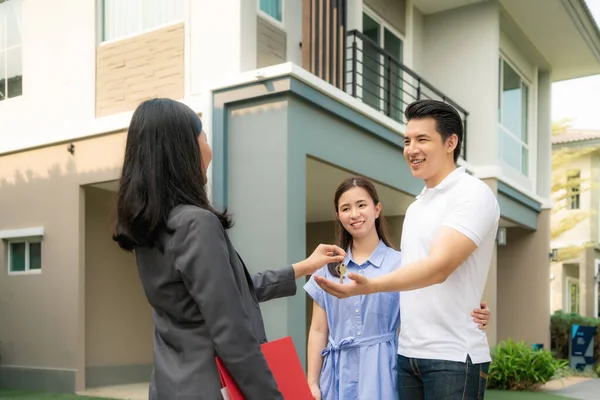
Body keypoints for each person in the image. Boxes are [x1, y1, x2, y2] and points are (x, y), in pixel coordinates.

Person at [112, 98, 346, 400]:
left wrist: (302, 267)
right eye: (203, 136)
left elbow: (226, 294)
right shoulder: (196, 224)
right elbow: (232, 333)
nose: (208, 146)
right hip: (212, 388)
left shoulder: (151, 228)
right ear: (185, 149)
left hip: (170, 386)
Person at [315, 99, 500, 399]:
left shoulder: (472, 193)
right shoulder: (417, 207)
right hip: (408, 355)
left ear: (450, 142)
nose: (411, 149)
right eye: (407, 141)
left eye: (422, 140)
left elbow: (438, 268)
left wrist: (369, 286)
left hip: (451, 357)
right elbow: (415, 275)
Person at [306, 176, 492, 400]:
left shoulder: (402, 264)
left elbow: (430, 303)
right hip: (336, 376)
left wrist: (473, 312)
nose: (354, 214)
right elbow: (318, 330)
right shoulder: (327, 267)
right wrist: (312, 381)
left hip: (385, 372)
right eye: (345, 208)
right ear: (338, 216)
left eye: (361, 205)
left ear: (377, 209)